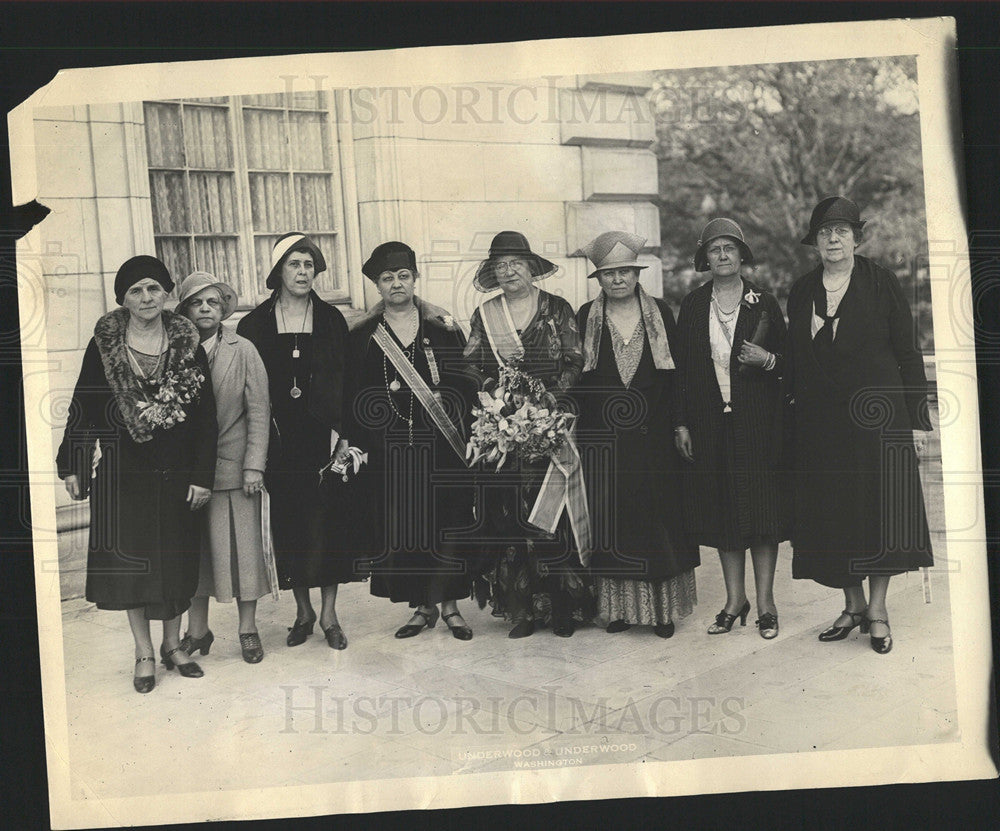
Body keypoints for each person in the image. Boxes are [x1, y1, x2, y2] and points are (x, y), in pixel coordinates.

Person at [56, 255, 217, 693]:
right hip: (123, 470)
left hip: (177, 472)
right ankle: (143, 652)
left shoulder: (187, 342)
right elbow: (83, 405)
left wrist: (203, 475)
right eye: (135, 291)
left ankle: (172, 646)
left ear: (165, 293)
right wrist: (73, 464)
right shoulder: (105, 344)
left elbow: (206, 417)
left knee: (176, 561)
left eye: (153, 288)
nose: (146, 298)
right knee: (133, 566)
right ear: (122, 299)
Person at [787, 196, 933, 654]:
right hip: (823, 426)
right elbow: (797, 359)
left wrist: (915, 417)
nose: (833, 239)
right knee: (834, 515)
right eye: (825, 233)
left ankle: (878, 610)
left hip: (878, 421)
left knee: (878, 512)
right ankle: (852, 606)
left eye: (842, 231)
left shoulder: (881, 282)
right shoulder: (801, 290)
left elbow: (908, 352)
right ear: (815, 242)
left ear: (855, 238)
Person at [462, 230, 592, 638]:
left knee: (554, 518)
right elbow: (471, 365)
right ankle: (521, 611)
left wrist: (549, 401)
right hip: (506, 430)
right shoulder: (486, 315)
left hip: (552, 425)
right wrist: (498, 398)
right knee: (511, 519)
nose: (508, 271)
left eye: (516, 263)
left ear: (532, 267)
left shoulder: (558, 309)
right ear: (492, 272)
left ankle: (563, 610)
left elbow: (575, 360)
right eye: (500, 265)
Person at [236, 233, 360, 650]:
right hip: (278, 441)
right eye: (294, 264)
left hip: (323, 442)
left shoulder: (330, 320)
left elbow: (348, 385)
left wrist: (345, 437)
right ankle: (303, 611)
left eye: (309, 264)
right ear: (278, 272)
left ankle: (329, 615)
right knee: (290, 526)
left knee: (328, 525)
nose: (303, 272)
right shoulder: (254, 324)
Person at [350, 242, 478, 640]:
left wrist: (450, 401)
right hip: (391, 446)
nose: (396, 284)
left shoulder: (443, 327)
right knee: (408, 526)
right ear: (377, 285)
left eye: (403, 275)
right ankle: (422, 607)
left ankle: (452, 607)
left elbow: (468, 381)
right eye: (387, 278)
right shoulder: (365, 335)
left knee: (448, 522)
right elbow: (355, 392)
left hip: (443, 442)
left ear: (415, 279)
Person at [574, 232, 699, 638]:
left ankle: (662, 613)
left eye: (625, 271)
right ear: (599, 278)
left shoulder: (660, 312)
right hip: (605, 440)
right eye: (609, 274)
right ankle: (619, 611)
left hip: (655, 436)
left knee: (658, 520)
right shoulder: (584, 318)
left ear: (636, 273)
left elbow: (679, 377)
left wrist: (681, 424)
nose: (617, 280)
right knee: (614, 521)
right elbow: (576, 381)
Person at [673, 219, 788, 640]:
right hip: (709, 423)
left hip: (757, 423)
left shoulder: (765, 303)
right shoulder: (692, 304)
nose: (722, 256)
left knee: (761, 511)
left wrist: (768, 359)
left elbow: (790, 364)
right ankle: (733, 601)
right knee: (724, 512)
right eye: (714, 249)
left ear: (742, 256)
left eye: (729, 248)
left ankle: (767, 604)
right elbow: (682, 372)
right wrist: (682, 422)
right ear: (705, 258)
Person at [176, 272, 271, 664]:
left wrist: (254, 466)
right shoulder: (172, 350)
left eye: (212, 302)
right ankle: (197, 632)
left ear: (223, 309)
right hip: (189, 477)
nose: (205, 309)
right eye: (196, 303)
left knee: (244, 553)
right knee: (195, 555)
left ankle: (248, 629)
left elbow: (259, 411)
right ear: (184, 311)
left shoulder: (243, 349)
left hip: (235, 471)